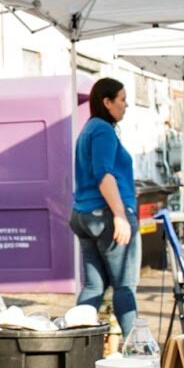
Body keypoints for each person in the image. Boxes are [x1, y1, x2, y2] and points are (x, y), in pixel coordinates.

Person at [70, 77, 140, 333]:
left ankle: (75, 343)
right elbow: (103, 174)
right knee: (125, 285)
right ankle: (137, 350)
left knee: (93, 287)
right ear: (107, 102)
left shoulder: (88, 129)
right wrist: (120, 214)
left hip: (85, 215)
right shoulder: (103, 130)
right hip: (107, 215)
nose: (126, 105)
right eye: (122, 100)